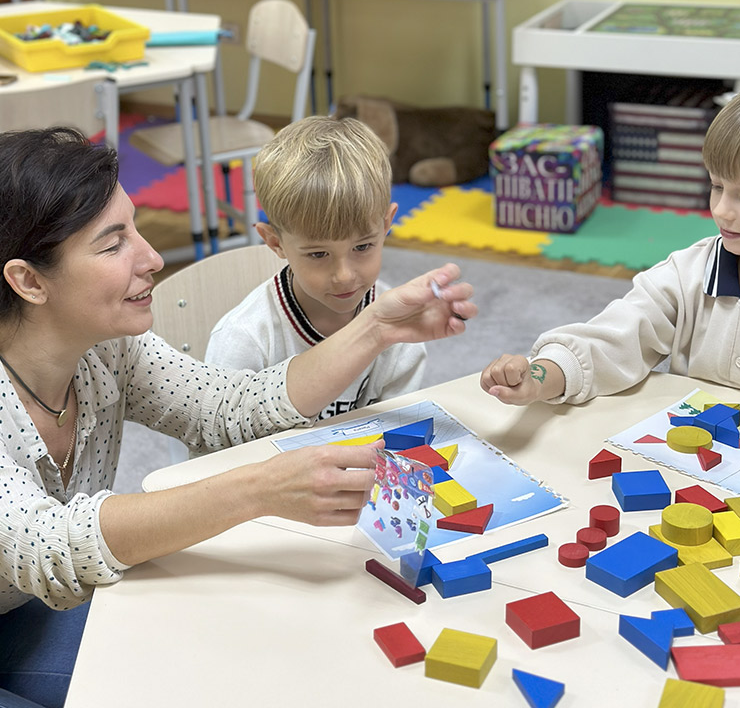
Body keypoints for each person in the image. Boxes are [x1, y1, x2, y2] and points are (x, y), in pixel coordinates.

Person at [0, 127, 476, 708]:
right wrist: (257, 489)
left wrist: (374, 328)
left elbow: (225, 407)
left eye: (136, 229)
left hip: (30, 611)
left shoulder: (106, 345)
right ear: (27, 280)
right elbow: (50, 547)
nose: (152, 259)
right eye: (113, 243)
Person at [481, 73, 740, 406]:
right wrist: (539, 377)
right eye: (717, 186)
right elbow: (611, 343)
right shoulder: (687, 274)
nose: (721, 210)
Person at [205, 115, 426, 419]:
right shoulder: (245, 340)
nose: (345, 275)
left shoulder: (396, 326)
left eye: (362, 247)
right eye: (318, 254)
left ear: (386, 224)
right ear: (275, 243)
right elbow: (217, 452)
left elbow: (402, 436)